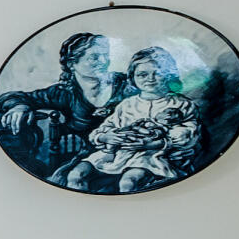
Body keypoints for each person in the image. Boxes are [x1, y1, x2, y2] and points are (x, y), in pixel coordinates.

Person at [63, 46, 204, 193]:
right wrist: (106, 136)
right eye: (142, 75)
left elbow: (188, 136)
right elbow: (103, 130)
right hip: (117, 152)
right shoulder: (127, 104)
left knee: (129, 181)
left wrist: (155, 143)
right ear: (133, 77)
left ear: (169, 75)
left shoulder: (181, 104)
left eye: (158, 74)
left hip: (151, 156)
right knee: (76, 174)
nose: (150, 79)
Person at [0, 31, 124, 180]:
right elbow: (10, 98)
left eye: (106, 55)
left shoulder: (125, 84)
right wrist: (20, 107)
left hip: (137, 150)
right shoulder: (63, 93)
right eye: (94, 57)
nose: (103, 61)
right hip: (94, 157)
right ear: (72, 64)